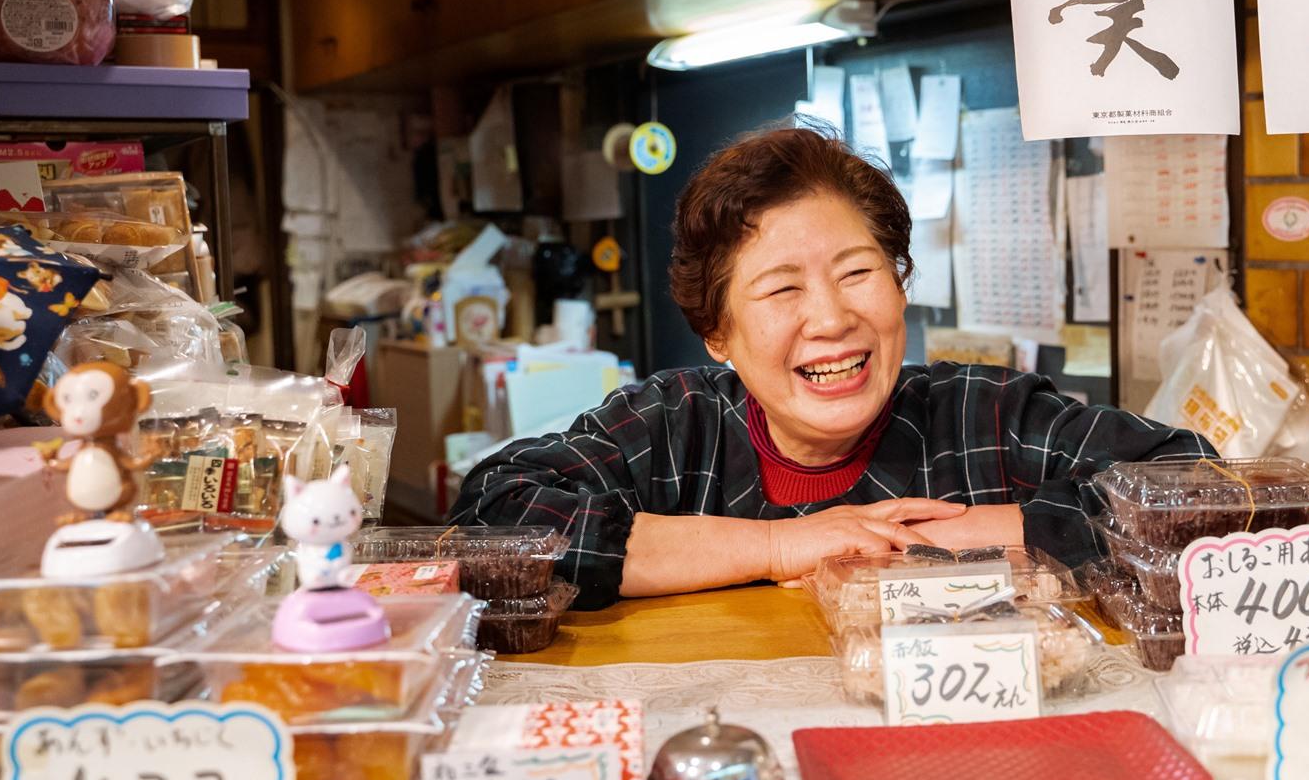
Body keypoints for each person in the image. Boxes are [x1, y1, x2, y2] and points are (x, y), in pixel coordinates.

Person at [451, 126, 1211, 608]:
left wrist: (977, 533)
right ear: (717, 331)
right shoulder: (672, 427)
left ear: (899, 283)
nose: (832, 319)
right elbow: (492, 513)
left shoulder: (985, 417)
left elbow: (1201, 490)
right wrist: (782, 546)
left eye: (857, 274)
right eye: (782, 289)